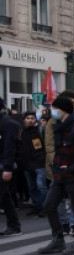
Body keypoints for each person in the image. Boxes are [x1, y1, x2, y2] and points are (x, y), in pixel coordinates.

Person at [37, 96, 74, 254]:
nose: (52, 111)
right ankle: (58, 240)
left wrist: (70, 168)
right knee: (49, 205)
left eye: (54, 108)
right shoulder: (60, 127)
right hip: (60, 176)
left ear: (62, 110)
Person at [17, 111, 47, 218]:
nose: (30, 120)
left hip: (40, 164)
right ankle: (37, 206)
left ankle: (45, 207)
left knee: (41, 186)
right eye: (28, 118)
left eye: (32, 118)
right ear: (24, 119)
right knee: (32, 187)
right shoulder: (21, 132)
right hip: (27, 164)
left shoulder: (40, 130)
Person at [0, 98, 22, 236]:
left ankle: (14, 226)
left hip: (3, 166)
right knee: (4, 197)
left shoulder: (9, 125)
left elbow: (9, 148)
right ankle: (14, 225)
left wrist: (7, 168)